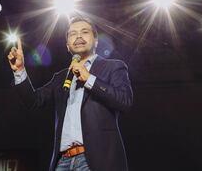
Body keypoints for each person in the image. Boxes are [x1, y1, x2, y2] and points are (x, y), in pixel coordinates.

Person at [7, 16, 133, 171]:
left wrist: (89, 78)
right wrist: (19, 70)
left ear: (96, 40)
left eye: (84, 32)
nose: (78, 36)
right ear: (67, 45)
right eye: (72, 34)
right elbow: (33, 101)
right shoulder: (61, 77)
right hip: (63, 161)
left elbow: (124, 101)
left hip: (96, 159)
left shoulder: (113, 67)